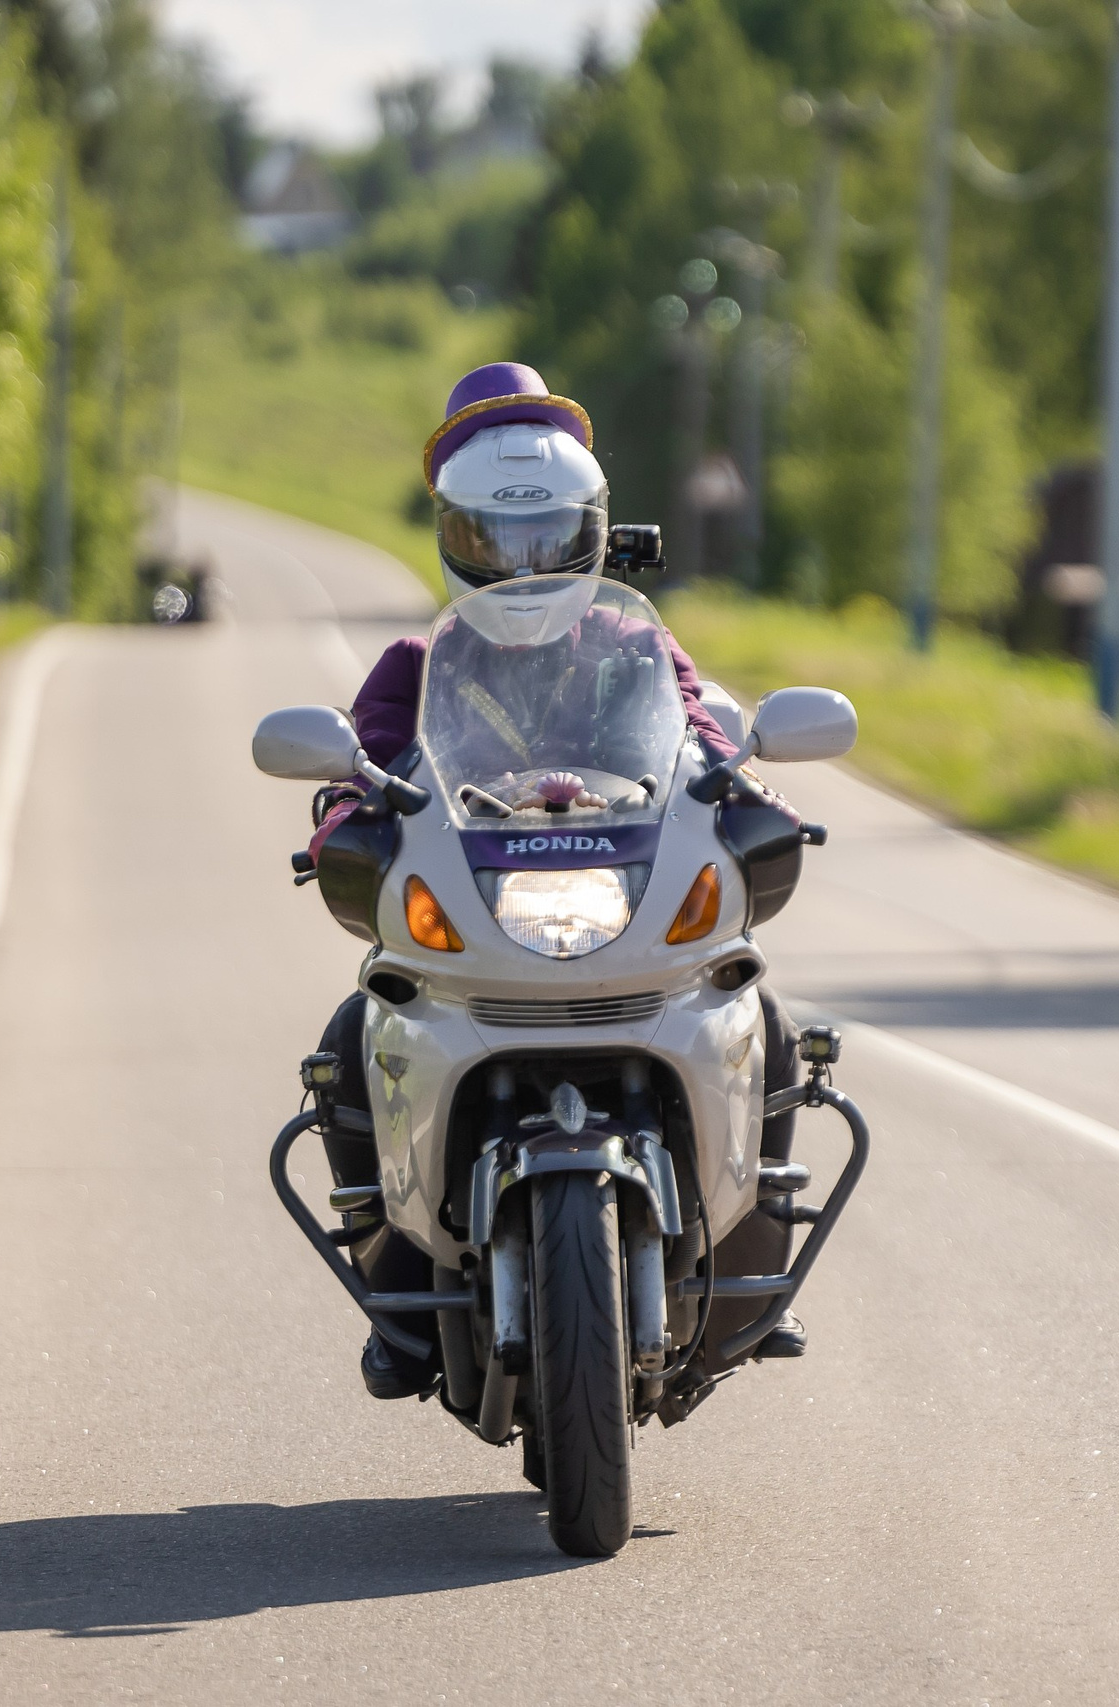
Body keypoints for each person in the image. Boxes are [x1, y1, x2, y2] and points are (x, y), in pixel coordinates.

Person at [301, 363, 807, 1401]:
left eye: (545, 541)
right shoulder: (413, 661)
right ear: (454, 538)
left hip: (627, 923)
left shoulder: (631, 645)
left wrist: (742, 785)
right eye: (495, 543)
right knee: (351, 1043)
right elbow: (366, 759)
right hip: (480, 935)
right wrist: (348, 815)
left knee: (774, 1029)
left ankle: (749, 1278)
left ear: (591, 533)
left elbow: (703, 738)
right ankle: (402, 1301)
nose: (523, 568)